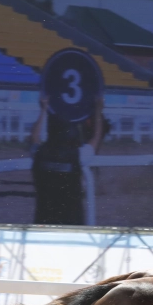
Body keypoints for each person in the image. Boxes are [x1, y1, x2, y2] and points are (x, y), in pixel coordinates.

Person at [31, 94, 104, 225]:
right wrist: (98, 110)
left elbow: (34, 138)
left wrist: (43, 110)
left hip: (43, 221)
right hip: (72, 223)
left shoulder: (39, 153)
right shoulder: (78, 155)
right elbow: (96, 138)